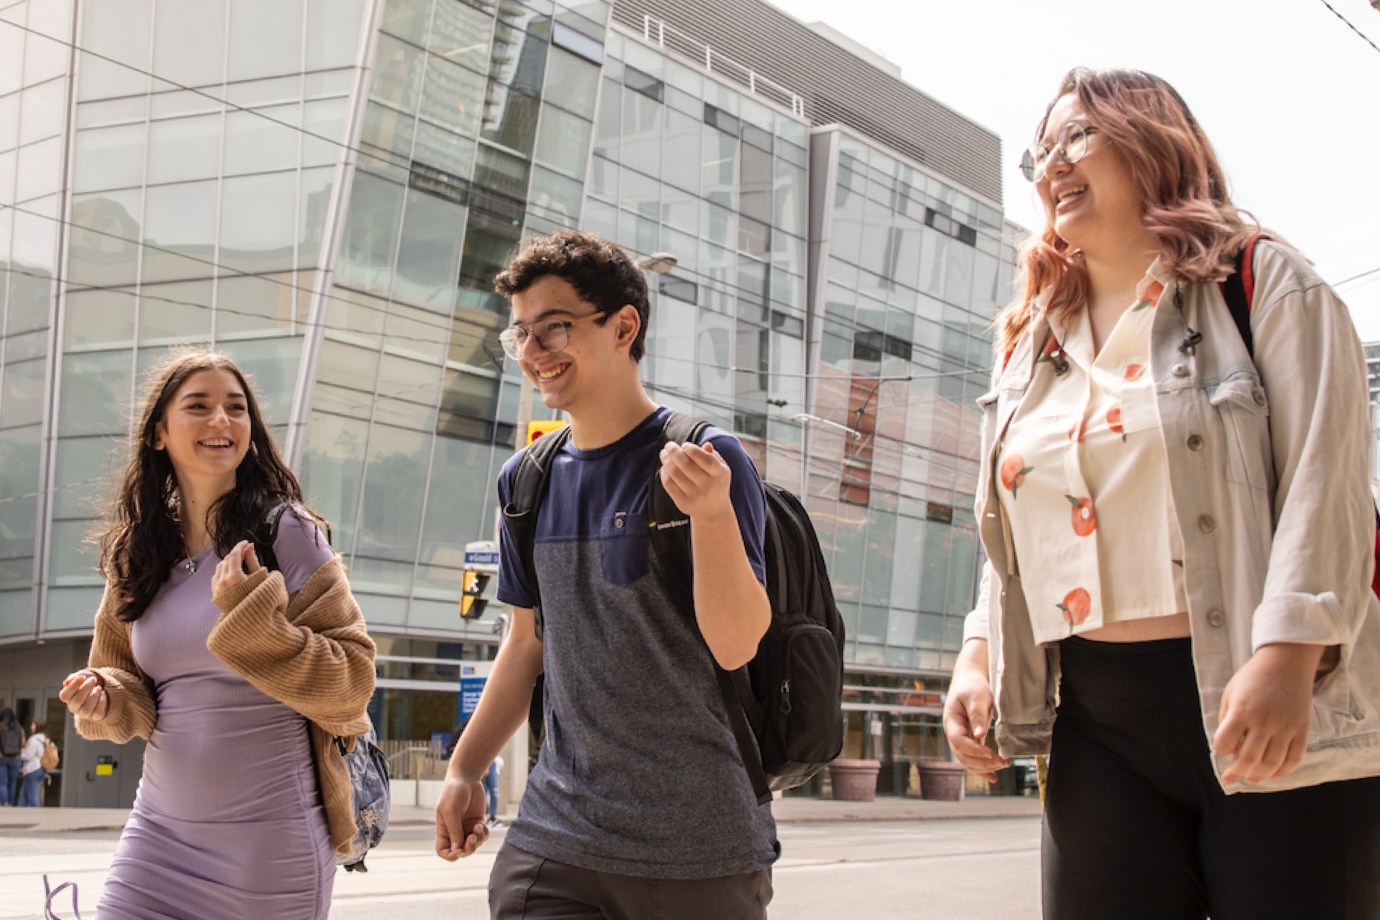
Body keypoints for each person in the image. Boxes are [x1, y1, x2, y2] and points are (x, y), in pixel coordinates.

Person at [942, 67, 1380, 920]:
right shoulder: (1030, 341)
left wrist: (1288, 657)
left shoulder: (1263, 284)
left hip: (1269, 693)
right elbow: (1011, 530)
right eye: (1040, 149)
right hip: (1096, 723)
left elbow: (1327, 487)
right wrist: (979, 651)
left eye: (1078, 136)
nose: (1050, 163)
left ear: (1152, 141)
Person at [435, 230, 778, 919]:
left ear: (624, 326)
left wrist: (711, 516)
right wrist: (465, 768)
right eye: (521, 336)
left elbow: (738, 644)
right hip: (556, 839)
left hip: (697, 852)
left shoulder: (707, 458)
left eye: (553, 329)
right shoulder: (525, 481)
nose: (533, 354)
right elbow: (526, 645)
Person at [58, 348, 377, 920]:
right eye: (198, 406)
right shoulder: (136, 553)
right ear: (159, 433)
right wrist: (103, 696)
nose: (221, 421)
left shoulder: (288, 532)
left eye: (236, 408)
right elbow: (127, 688)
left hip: (268, 846)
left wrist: (249, 617)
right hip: (157, 838)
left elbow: (352, 682)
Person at [18, 719, 47, 807]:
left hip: (32, 769)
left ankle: (36, 812)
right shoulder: (44, 740)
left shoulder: (33, 740)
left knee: (32, 794)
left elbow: (28, 756)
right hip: (41, 768)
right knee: (24, 793)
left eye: (33, 725)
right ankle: (20, 809)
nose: (31, 727)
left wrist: (20, 753)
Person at [0, 707, 22, 806]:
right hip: (15, 758)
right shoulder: (18, 728)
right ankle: (11, 803)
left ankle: (4, 803)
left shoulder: (1, 727)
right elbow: (23, 743)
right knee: (12, 783)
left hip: (2, 758)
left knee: (3, 783)